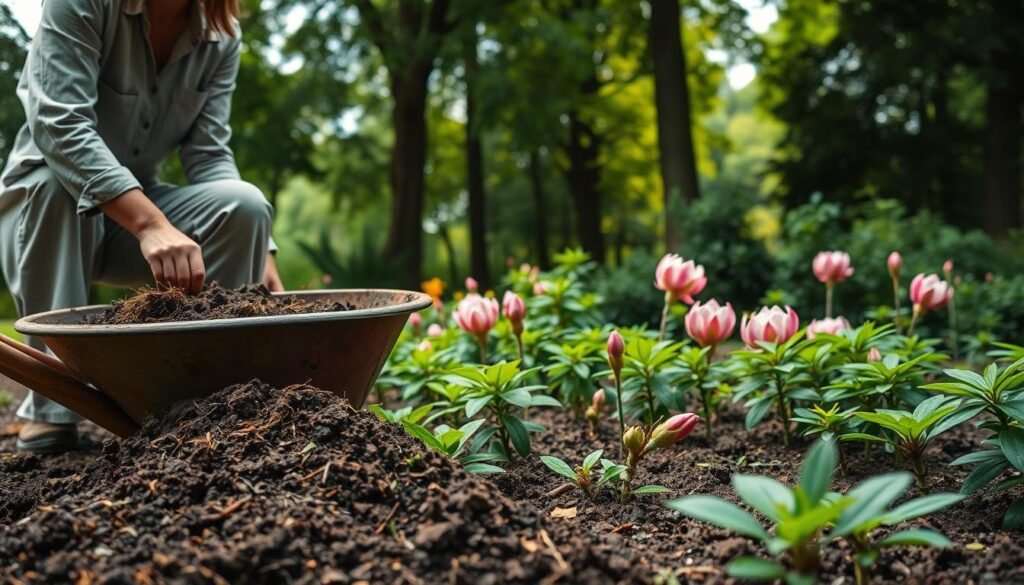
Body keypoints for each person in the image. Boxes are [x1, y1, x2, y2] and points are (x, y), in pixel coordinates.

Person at [0, 0, 283, 453]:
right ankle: (52, 411)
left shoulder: (220, 35)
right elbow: (59, 123)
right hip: (46, 212)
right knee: (54, 184)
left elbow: (209, 154)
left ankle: (218, 404)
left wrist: (262, 247)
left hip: (135, 225)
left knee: (245, 207)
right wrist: (150, 223)